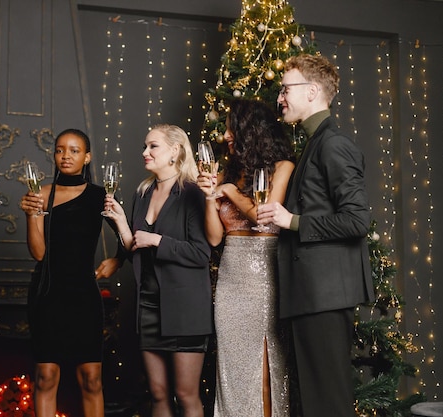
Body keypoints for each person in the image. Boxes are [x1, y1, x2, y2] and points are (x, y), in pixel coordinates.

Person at [257, 53, 375, 417]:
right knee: (313, 401)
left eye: (285, 89)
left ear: (311, 91)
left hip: (324, 296)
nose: (280, 97)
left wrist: (291, 221)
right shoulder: (314, 142)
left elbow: (358, 221)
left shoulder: (333, 144)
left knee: (327, 402)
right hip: (311, 295)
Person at [104, 124, 213, 417]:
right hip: (148, 306)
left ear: (175, 151)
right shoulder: (143, 192)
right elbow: (135, 248)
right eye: (145, 146)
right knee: (158, 393)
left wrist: (158, 240)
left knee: (185, 394)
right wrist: (122, 223)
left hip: (186, 310)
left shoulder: (193, 193)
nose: (145, 152)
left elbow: (202, 253)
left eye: (153, 146)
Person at [197, 99, 295, 417]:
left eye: (231, 127)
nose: (226, 134)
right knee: (232, 369)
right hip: (230, 281)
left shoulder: (283, 166)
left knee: (267, 364)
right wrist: (209, 198)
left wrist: (229, 192)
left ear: (249, 130)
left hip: (265, 276)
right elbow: (214, 237)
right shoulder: (231, 172)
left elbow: (264, 219)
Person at [19, 128, 122, 417]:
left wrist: (117, 260)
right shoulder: (40, 193)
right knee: (46, 377)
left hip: (84, 297)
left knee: (91, 379)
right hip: (47, 295)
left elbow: (127, 235)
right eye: (60, 150)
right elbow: (39, 253)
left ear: (87, 157)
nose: (66, 156)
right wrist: (31, 215)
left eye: (74, 150)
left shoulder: (100, 196)